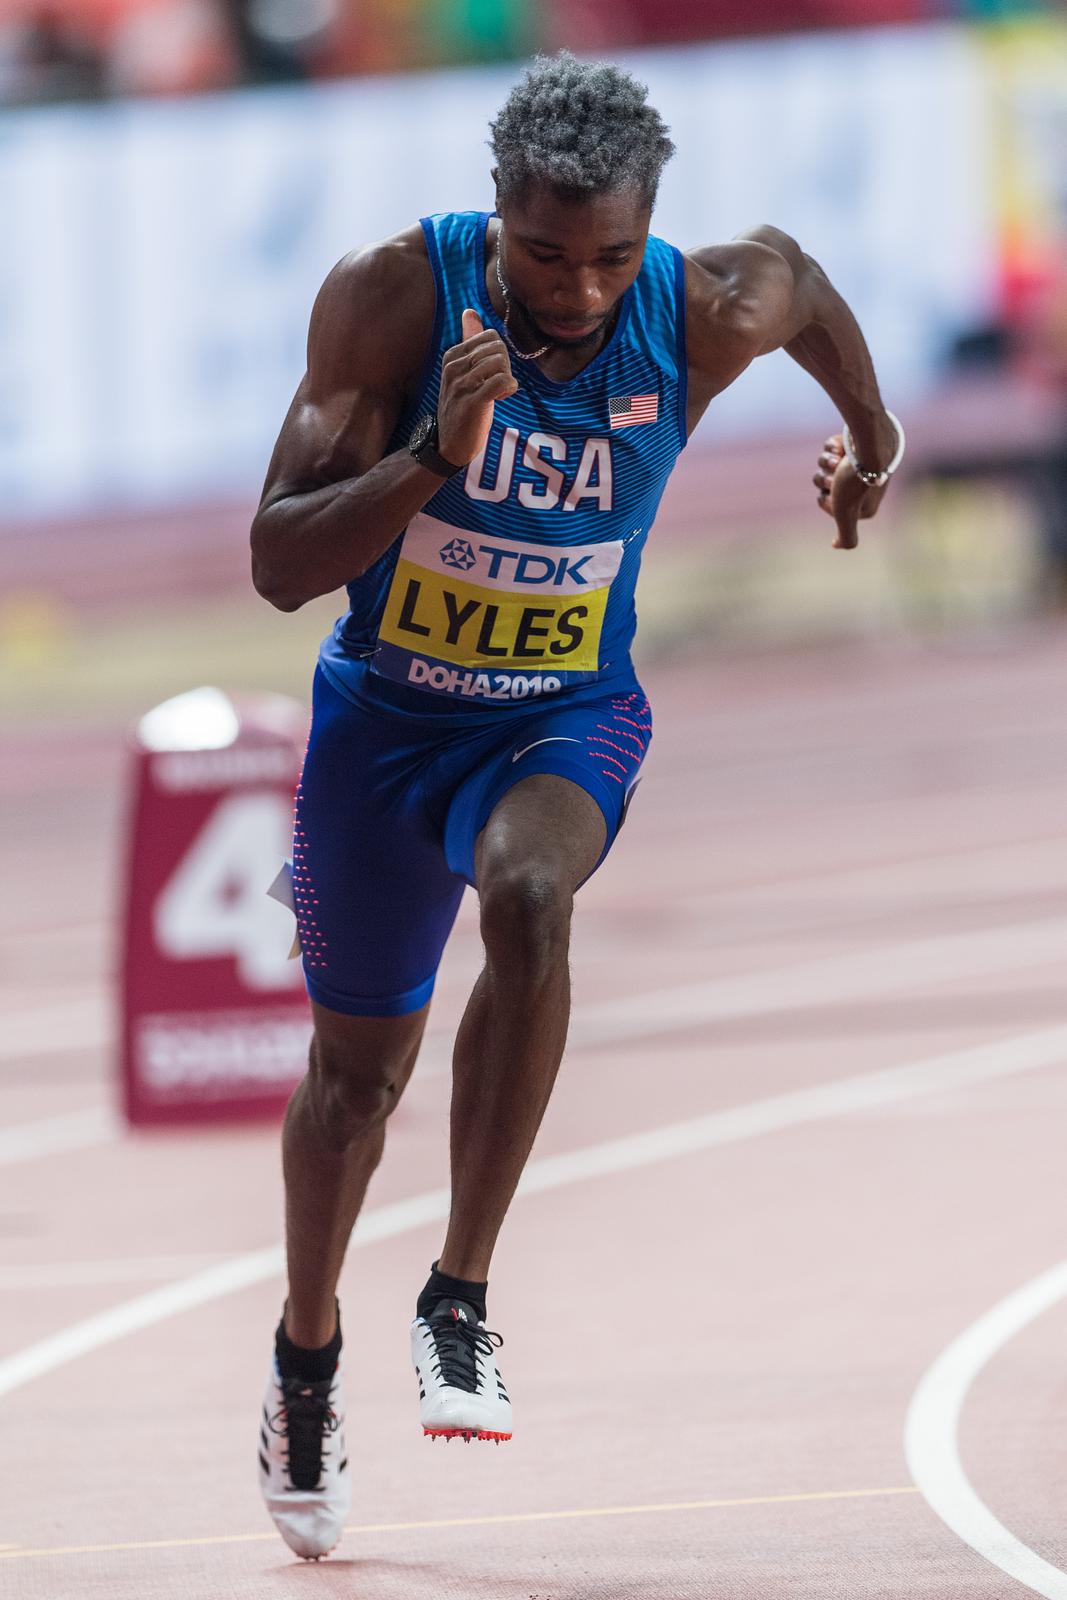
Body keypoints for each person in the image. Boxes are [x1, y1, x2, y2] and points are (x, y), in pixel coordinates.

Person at [249, 49, 903, 1561]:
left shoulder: (705, 304)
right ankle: (305, 1357)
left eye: (612, 256)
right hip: (383, 728)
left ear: (651, 229)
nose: (579, 291)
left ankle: (461, 1295)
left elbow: (804, 287)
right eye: (546, 255)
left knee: (531, 901)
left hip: (564, 714)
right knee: (354, 1088)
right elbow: (281, 567)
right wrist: (429, 457)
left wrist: (873, 454)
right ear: (497, 217)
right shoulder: (396, 298)